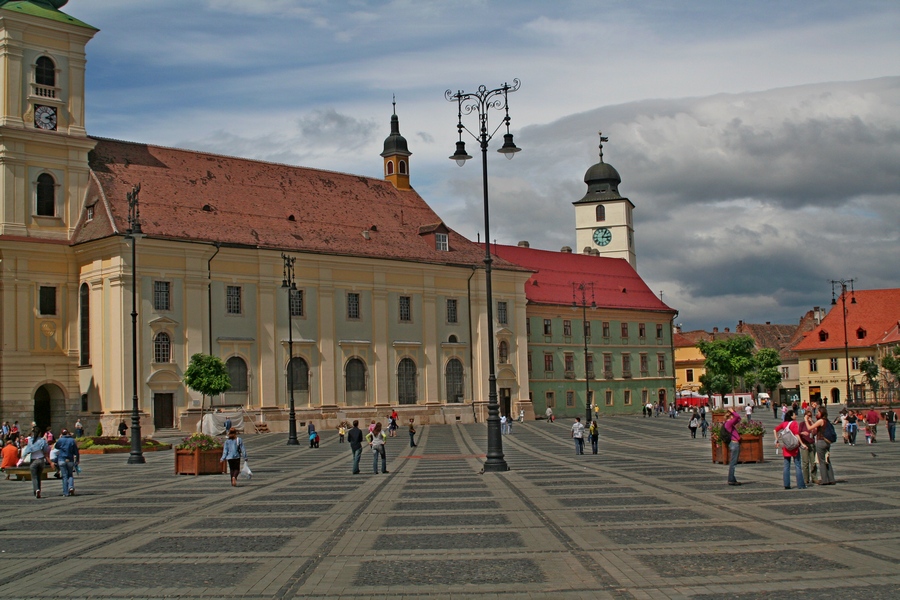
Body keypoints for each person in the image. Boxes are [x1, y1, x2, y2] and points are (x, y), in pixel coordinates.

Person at [774, 410, 806, 490]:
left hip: (786, 447)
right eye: (795, 414)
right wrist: (802, 444)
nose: (796, 416)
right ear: (791, 416)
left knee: (786, 467)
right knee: (798, 466)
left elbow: (775, 429)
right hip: (794, 447)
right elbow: (796, 434)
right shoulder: (794, 423)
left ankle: (787, 484)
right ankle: (801, 485)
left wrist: (777, 440)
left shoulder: (784, 424)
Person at [805, 407, 835, 485]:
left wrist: (806, 420)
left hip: (821, 442)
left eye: (818, 412)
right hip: (827, 442)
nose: (817, 413)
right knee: (827, 460)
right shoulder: (826, 421)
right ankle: (831, 479)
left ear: (822, 413)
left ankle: (824, 480)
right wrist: (812, 421)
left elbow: (809, 428)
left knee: (821, 461)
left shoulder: (821, 420)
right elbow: (819, 427)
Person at [24, 428, 50, 498]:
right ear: (39, 433)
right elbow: (46, 450)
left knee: (34, 477)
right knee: (39, 477)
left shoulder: (30, 441)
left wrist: (22, 457)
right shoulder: (42, 440)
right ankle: (39, 490)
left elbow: (27, 450)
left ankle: (36, 490)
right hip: (41, 459)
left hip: (33, 460)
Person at [54, 429, 79, 497]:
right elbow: (76, 451)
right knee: (70, 475)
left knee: (64, 476)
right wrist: (77, 460)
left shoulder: (60, 440)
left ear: (62, 434)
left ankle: (65, 492)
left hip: (62, 459)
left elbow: (56, 447)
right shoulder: (72, 440)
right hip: (70, 459)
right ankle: (71, 487)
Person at [797, 412, 818, 486]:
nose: (809, 417)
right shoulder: (802, 424)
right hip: (804, 444)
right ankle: (806, 479)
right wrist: (802, 433)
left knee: (813, 462)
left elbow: (815, 432)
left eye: (810, 415)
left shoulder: (812, 423)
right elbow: (798, 433)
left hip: (812, 444)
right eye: (807, 415)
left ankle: (814, 477)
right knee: (805, 462)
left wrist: (811, 422)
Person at [723, 408, 742, 485]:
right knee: (733, 463)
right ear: (730, 416)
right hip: (734, 444)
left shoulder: (729, 423)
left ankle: (732, 479)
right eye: (732, 416)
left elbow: (738, 419)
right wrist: (733, 412)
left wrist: (733, 413)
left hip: (734, 444)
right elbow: (737, 417)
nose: (733, 417)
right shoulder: (729, 423)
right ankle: (731, 479)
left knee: (733, 462)